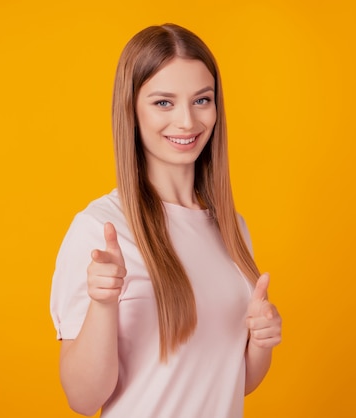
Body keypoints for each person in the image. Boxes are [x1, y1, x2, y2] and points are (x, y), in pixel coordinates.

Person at [50, 23, 282, 418]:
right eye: (163, 103)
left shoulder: (232, 228)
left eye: (201, 100)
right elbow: (83, 400)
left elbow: (230, 381)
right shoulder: (101, 228)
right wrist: (103, 305)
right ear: (132, 111)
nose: (187, 122)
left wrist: (260, 341)